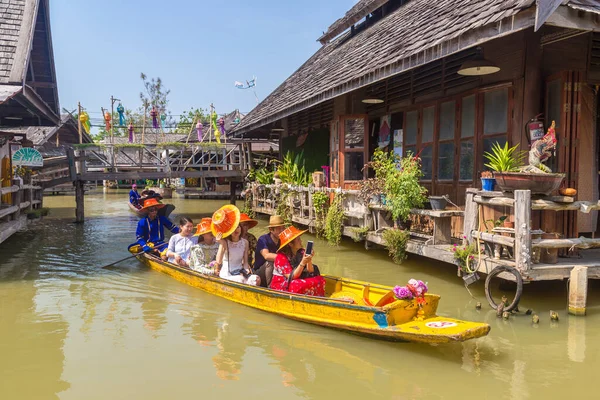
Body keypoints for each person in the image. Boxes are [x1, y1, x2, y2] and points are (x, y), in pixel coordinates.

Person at [212, 205, 260, 286]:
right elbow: (218, 261)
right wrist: (221, 243)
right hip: (227, 273)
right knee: (240, 279)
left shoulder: (245, 242)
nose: (236, 230)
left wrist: (246, 270)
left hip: (240, 271)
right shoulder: (225, 242)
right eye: (233, 229)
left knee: (256, 279)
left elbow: (245, 261)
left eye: (238, 227)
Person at [270, 226, 325, 297]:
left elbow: (310, 271)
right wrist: (303, 262)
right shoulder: (281, 257)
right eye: (298, 240)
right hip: (283, 284)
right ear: (290, 244)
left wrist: (309, 259)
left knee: (320, 279)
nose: (301, 241)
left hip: (298, 279)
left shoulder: (301, 252)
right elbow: (292, 276)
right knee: (296, 285)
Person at [253, 215, 286, 288]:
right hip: (260, 272)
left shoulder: (283, 240)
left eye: (283, 228)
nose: (282, 231)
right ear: (271, 229)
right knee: (270, 262)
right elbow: (266, 255)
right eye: (279, 229)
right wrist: (284, 258)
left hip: (277, 271)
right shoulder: (263, 239)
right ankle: (271, 288)